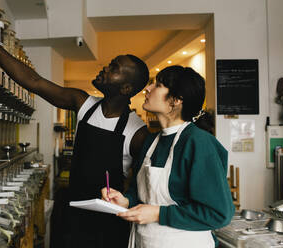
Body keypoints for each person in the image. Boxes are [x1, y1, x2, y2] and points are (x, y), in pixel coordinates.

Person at [0, 16, 150, 248]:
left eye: (114, 68)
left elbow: (144, 185)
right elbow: (34, 81)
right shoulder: (83, 103)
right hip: (72, 213)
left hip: (107, 226)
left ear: (126, 88)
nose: (105, 68)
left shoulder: (137, 132)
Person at [101, 65, 235, 248]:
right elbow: (138, 192)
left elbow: (219, 213)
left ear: (176, 100)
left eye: (158, 85)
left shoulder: (198, 143)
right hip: (144, 241)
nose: (148, 89)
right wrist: (124, 201)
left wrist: (158, 214)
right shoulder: (150, 142)